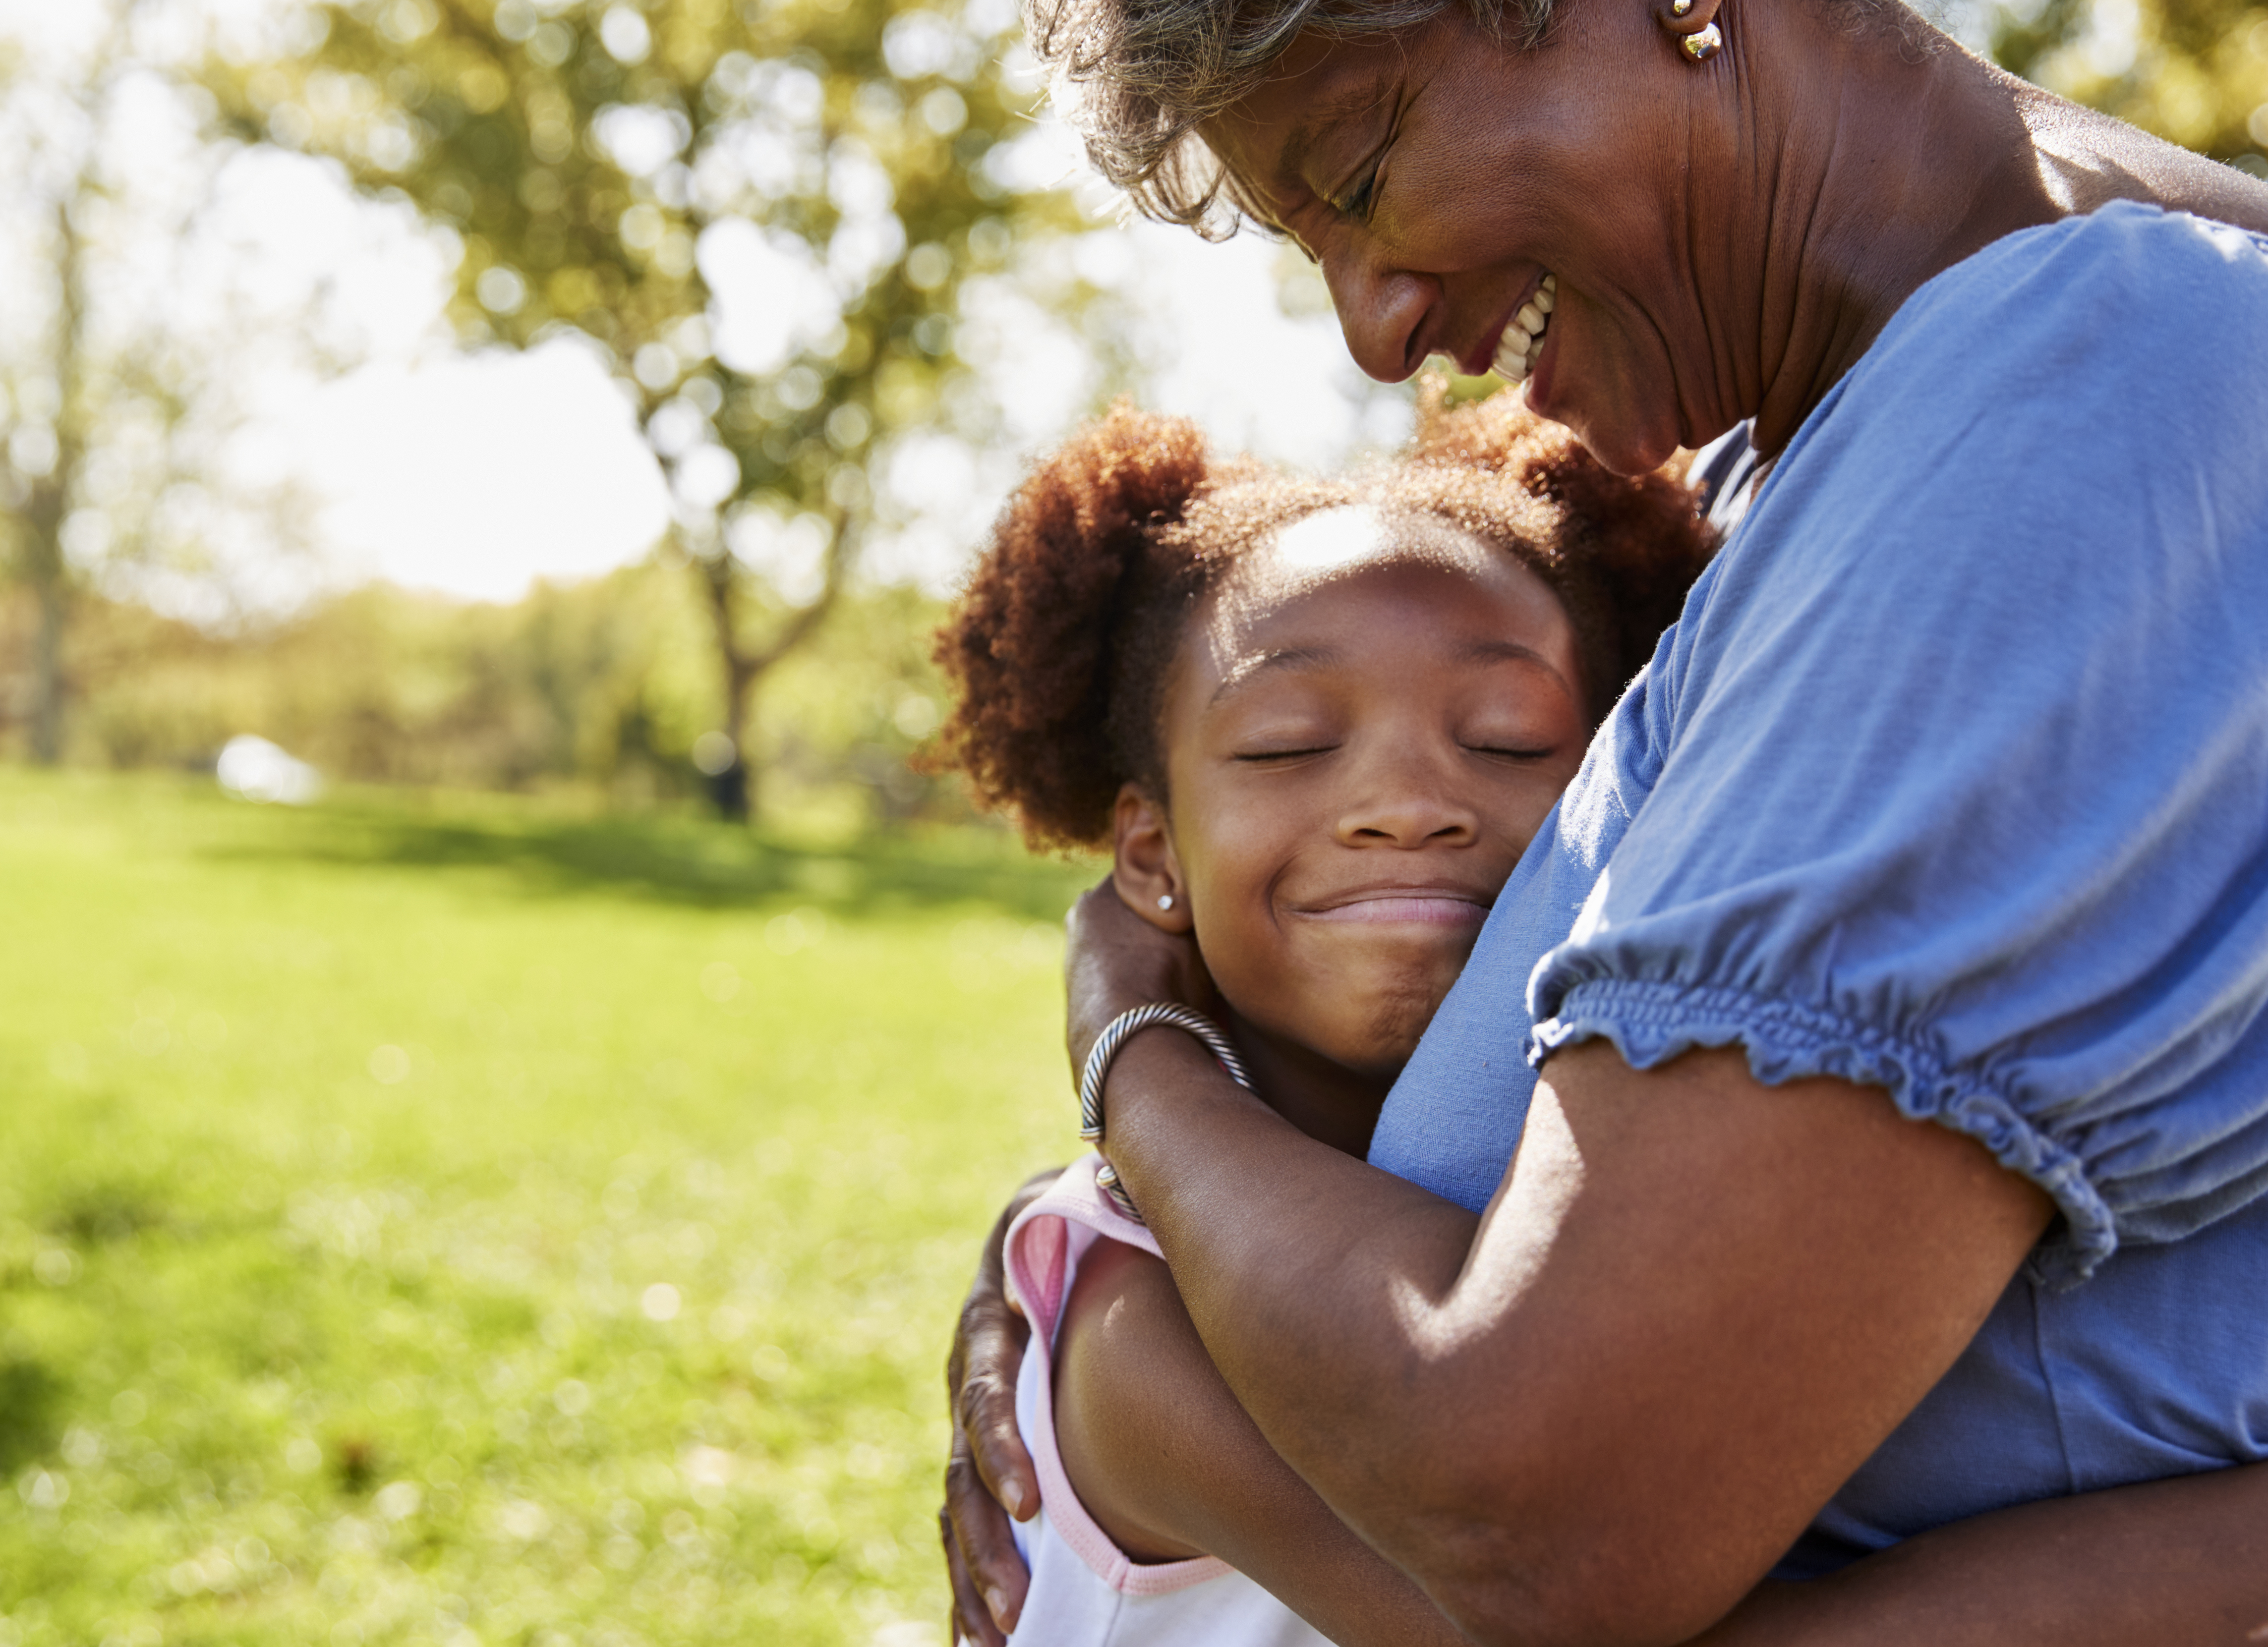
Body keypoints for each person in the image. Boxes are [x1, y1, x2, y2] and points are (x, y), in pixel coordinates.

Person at [938, 0, 2268, 1641]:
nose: (1370, 330)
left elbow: (1537, 1519)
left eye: (1357, 174)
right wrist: (1086, 1252)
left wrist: (1124, 1040)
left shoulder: (2076, 399)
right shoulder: (1754, 486)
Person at [929, 393, 1713, 1643]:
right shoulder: (1140, 1323)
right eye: (1291, 743)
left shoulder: (1605, 1169)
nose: (1406, 803)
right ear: (1149, 849)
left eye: (1508, 740)